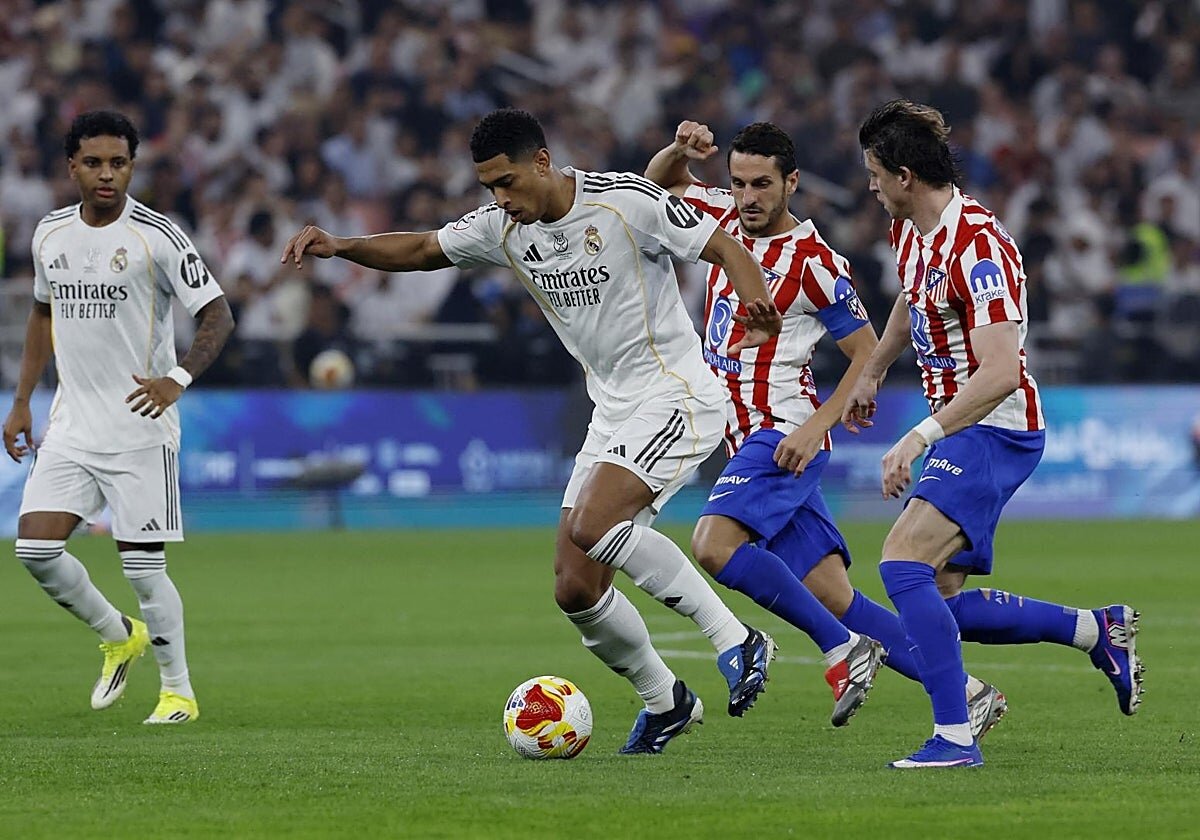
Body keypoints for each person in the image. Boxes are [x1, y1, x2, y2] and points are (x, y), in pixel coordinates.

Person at [281, 108, 784, 755]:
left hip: (676, 393)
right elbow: (424, 248)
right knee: (575, 586)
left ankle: (736, 638)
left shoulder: (625, 201)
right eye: (489, 187)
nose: (501, 198)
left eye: (508, 182)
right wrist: (342, 245)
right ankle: (666, 701)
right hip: (612, 409)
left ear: (542, 162)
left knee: (595, 525)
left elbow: (725, 247)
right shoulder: (504, 228)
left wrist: (755, 304)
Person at [645, 120, 1007, 740]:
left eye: (762, 184)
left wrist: (816, 427)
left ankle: (841, 648)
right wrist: (679, 151)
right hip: (744, 436)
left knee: (713, 545)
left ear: (792, 182)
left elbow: (866, 353)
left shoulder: (816, 263)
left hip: (782, 433)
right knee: (838, 597)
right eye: (738, 183)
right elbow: (657, 189)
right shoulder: (719, 218)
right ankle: (969, 694)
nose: (747, 197)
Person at [845, 100, 1143, 769]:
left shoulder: (979, 245)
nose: (870, 186)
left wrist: (918, 436)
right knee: (940, 603)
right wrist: (873, 369)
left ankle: (954, 737)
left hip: (994, 428)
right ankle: (1097, 630)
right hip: (964, 427)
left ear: (904, 176)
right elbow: (912, 300)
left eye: (875, 174)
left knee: (901, 563)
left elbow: (1002, 371)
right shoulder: (912, 231)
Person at [3, 111, 234, 724]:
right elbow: (42, 315)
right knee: (35, 550)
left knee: (143, 568)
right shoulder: (50, 234)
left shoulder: (159, 235)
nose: (107, 174)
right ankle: (118, 634)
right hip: (72, 424)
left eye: (119, 163)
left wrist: (177, 378)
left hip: (140, 426)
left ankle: (177, 692)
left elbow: (218, 313)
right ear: (71, 167)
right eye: (94, 163)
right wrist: (22, 400)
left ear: (132, 167)